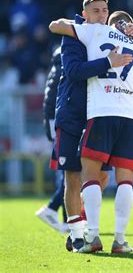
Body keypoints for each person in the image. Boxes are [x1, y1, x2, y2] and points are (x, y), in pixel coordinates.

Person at [49, 0, 133, 252]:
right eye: (95, 11)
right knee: (73, 176)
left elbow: (54, 25)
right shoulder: (82, 34)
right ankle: (77, 234)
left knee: (96, 176)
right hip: (76, 115)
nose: (100, 15)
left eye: (104, 11)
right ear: (84, 14)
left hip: (100, 113)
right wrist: (112, 60)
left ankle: (91, 233)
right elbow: (73, 71)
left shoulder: (99, 34)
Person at [35, 46, 68, 234]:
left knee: (66, 169)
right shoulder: (66, 57)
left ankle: (61, 216)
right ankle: (53, 210)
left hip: (53, 116)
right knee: (67, 169)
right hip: (57, 117)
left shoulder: (58, 58)